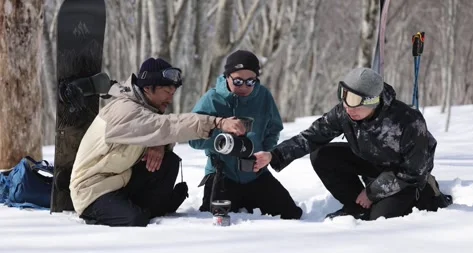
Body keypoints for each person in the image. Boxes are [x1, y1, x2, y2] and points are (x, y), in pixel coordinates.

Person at [253, 67, 452, 221]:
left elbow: (413, 172)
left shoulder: (408, 121)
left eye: (355, 99)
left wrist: (372, 192)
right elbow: (312, 136)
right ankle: (355, 206)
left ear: (373, 100)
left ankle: (428, 196)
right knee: (323, 155)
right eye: (344, 95)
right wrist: (274, 155)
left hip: (404, 179)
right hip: (372, 165)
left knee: (380, 221)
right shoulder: (346, 111)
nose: (347, 106)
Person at [69, 57, 247, 227]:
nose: (170, 98)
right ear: (147, 88)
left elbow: (157, 128)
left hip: (120, 181)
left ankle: (152, 207)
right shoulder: (126, 110)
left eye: (173, 93)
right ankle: (114, 214)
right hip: (91, 191)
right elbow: (167, 125)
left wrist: (159, 144)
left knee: (169, 161)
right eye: (166, 92)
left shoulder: (145, 107)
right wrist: (217, 122)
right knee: (135, 219)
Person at [189, 50, 302, 220]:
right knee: (215, 219)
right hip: (222, 174)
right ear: (227, 76)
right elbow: (193, 139)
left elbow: (274, 128)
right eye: (238, 81)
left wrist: (267, 153)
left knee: (291, 214)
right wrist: (221, 136)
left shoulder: (263, 96)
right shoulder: (212, 99)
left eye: (250, 81)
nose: (244, 87)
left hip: (256, 174)